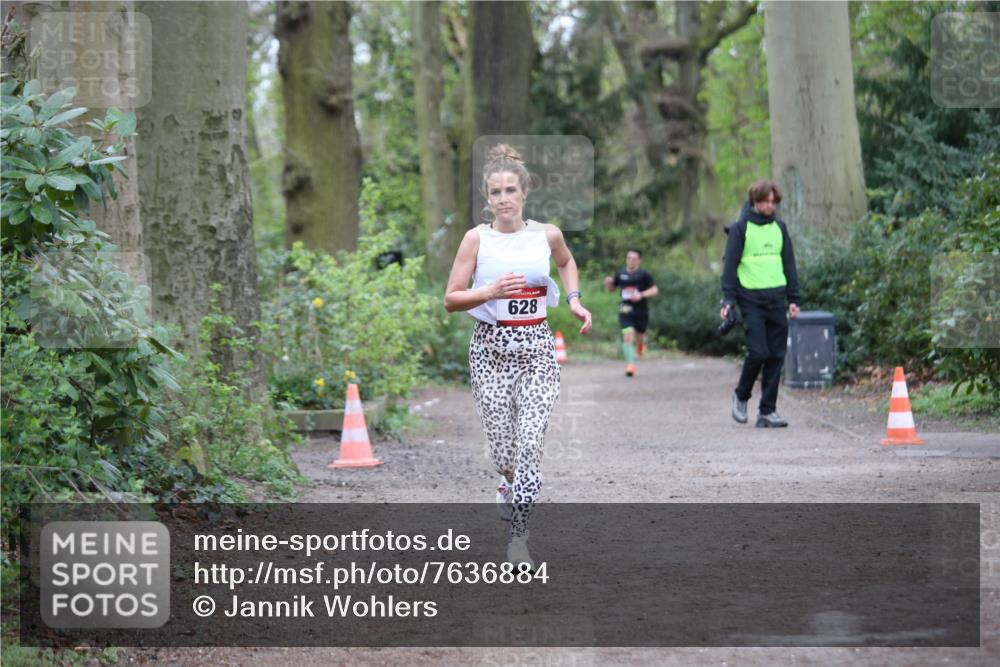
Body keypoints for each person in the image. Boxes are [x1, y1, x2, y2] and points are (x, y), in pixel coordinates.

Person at [444, 144, 593, 569]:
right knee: (504, 455)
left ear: (525, 192)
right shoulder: (476, 239)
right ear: (486, 198)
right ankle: (507, 484)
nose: (504, 198)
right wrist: (489, 292)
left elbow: (566, 263)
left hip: (537, 351)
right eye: (496, 192)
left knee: (529, 447)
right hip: (490, 351)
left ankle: (518, 539)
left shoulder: (546, 234)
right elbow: (451, 298)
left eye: (511, 190)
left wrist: (575, 299)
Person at [720, 180, 800, 427]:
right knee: (758, 352)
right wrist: (728, 300)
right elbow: (729, 267)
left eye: (773, 200)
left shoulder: (780, 227)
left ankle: (767, 411)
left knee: (776, 355)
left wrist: (794, 298)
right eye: (765, 200)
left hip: (776, 298)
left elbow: (789, 263)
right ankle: (741, 395)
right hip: (750, 299)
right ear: (755, 201)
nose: (770, 205)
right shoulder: (740, 228)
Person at [604, 250, 658, 376]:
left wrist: (641, 295)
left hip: (641, 311)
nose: (631, 260)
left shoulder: (644, 274)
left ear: (639, 260)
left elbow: (655, 290)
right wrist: (608, 283)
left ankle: (640, 346)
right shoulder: (621, 273)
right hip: (626, 310)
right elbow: (612, 289)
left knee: (640, 337)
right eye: (629, 258)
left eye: (634, 258)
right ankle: (630, 365)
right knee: (628, 336)